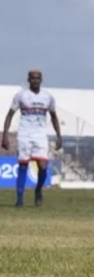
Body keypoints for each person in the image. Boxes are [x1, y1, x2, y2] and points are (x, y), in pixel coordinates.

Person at [1, 69, 62, 207]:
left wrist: (59, 136)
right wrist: (5, 135)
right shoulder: (21, 96)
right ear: (28, 80)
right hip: (24, 134)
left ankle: (38, 190)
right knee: (23, 165)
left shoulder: (48, 97)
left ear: (41, 80)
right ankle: (20, 198)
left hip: (40, 135)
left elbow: (53, 117)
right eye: (32, 78)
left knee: (43, 165)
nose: (35, 80)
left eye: (37, 78)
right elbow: (9, 115)